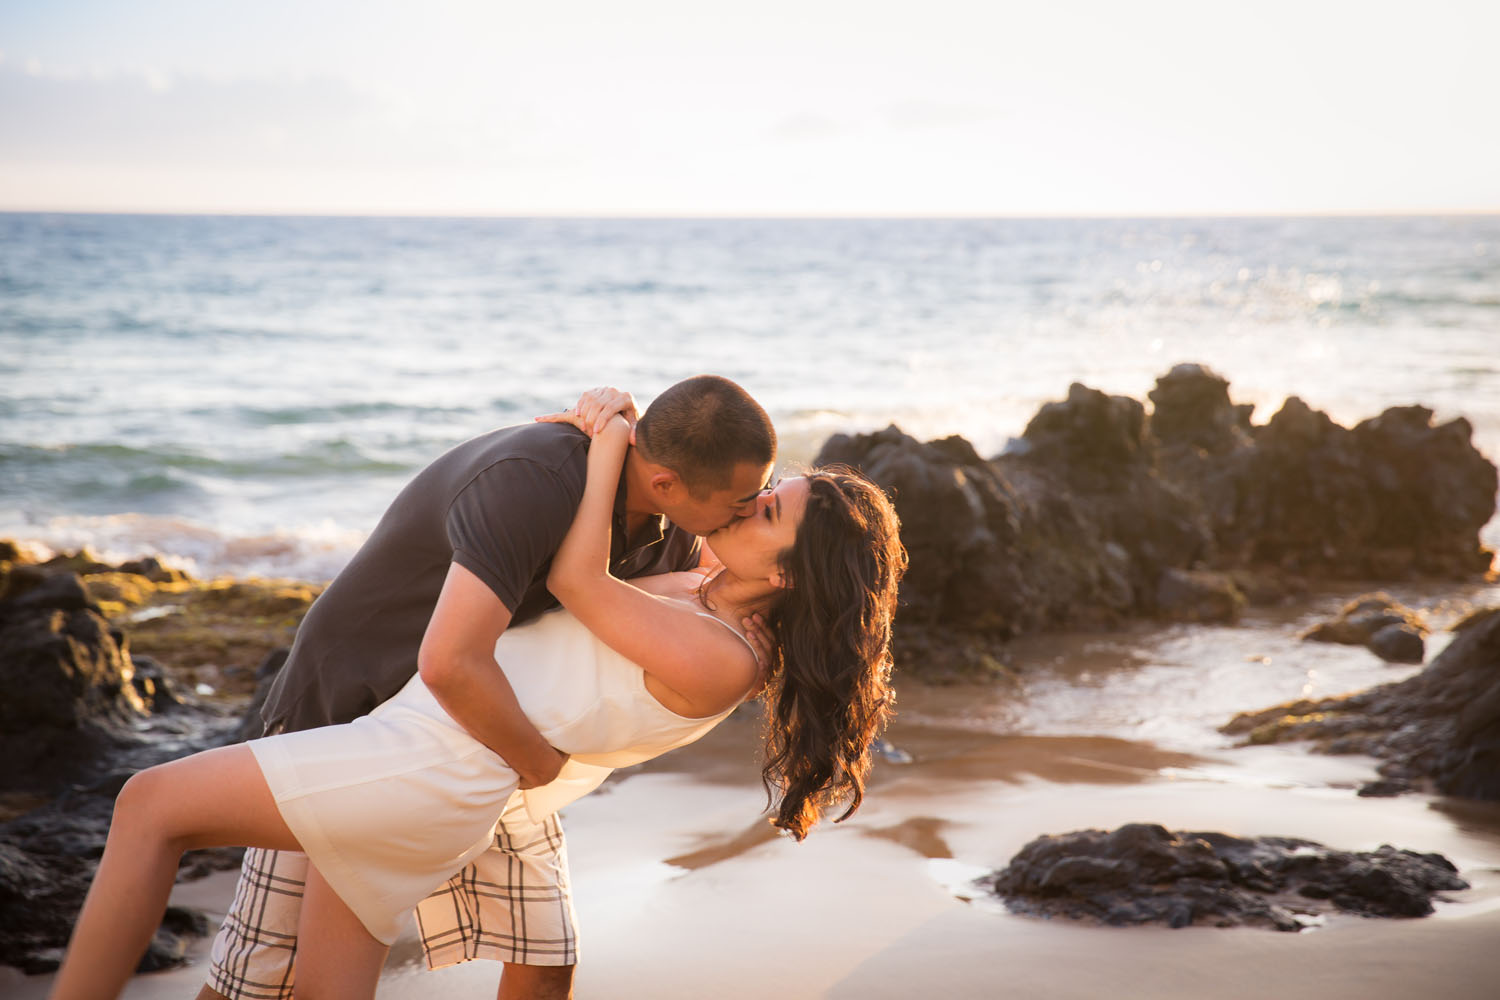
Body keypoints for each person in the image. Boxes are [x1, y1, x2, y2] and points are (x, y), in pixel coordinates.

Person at [50, 405, 906, 1000]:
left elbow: (577, 578)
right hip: (418, 748)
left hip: (426, 765)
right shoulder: (704, 583)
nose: (744, 507)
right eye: (759, 494)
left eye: (765, 512)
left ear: (785, 574)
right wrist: (615, 429)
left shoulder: (723, 657)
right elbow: (663, 490)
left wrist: (611, 445)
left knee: (148, 804)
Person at [225, 374, 777, 1000]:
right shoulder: (535, 478)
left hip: (493, 735)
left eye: (762, 500)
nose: (750, 510)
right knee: (259, 977)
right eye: (746, 500)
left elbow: (723, 591)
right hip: (358, 708)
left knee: (544, 962)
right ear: (666, 482)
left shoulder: (674, 528)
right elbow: (460, 656)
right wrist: (539, 763)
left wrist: (766, 630)